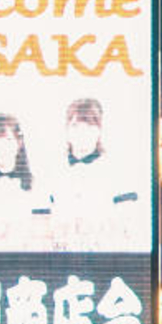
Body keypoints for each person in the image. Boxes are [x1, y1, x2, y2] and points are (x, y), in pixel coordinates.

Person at [51, 98, 145, 250]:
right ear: (67, 130)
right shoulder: (54, 173)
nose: (82, 134)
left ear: (99, 131)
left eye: (89, 127)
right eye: (75, 126)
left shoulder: (119, 173)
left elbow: (130, 228)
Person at [0, 113, 47, 213]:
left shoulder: (37, 187)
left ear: (19, 143)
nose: (2, 148)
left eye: (8, 140)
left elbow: (42, 226)